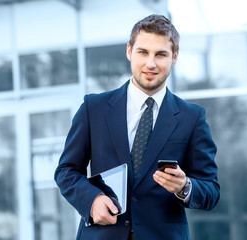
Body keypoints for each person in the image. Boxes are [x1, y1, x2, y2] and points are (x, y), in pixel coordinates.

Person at [54, 14, 220, 240]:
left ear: (175, 57)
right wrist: (92, 200)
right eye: (143, 52)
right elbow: (66, 170)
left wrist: (185, 186)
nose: (150, 63)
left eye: (160, 54)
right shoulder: (94, 108)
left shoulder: (192, 118)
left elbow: (210, 190)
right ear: (129, 51)